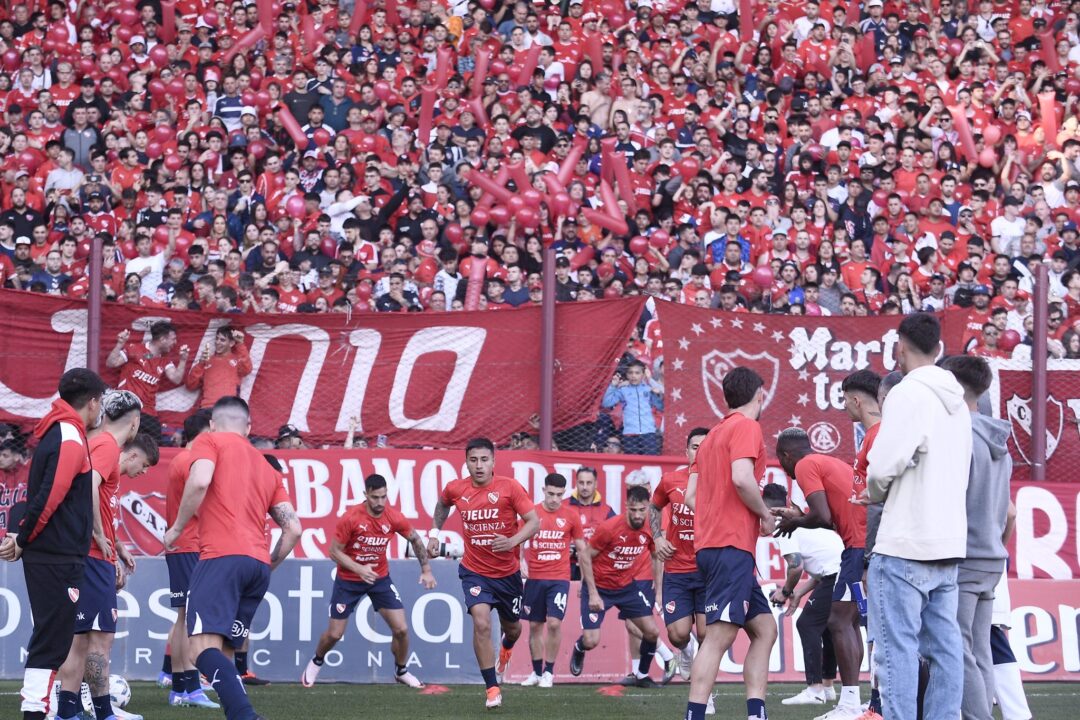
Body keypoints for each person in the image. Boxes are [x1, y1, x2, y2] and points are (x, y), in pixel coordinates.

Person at [163, 396, 302, 720]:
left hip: (220, 558)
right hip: (257, 566)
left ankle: (246, 715)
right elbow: (293, 529)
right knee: (224, 651)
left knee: (200, 649)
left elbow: (199, 480)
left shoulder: (210, 441)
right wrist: (267, 566)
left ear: (213, 424)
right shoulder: (266, 465)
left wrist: (176, 528)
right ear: (249, 428)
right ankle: (240, 714)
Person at [865, 313, 972, 720]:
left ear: (901, 344)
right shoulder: (958, 401)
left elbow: (881, 466)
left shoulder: (907, 393)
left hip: (906, 541)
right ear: (938, 347)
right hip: (947, 542)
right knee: (946, 651)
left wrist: (872, 492)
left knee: (897, 651)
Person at [0, 368, 106, 720]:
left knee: (52, 638)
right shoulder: (69, 435)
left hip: (54, 552)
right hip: (56, 555)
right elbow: (49, 497)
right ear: (92, 403)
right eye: (100, 402)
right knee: (53, 641)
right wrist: (25, 538)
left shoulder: (58, 429)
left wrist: (23, 536)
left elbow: (42, 496)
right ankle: (36, 713)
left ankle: (36, 711)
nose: (100, 409)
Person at [55, 390, 157, 720]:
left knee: (82, 642)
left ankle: (67, 712)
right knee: (100, 640)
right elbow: (88, 487)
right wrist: (99, 538)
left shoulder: (98, 443)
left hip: (90, 556)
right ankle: (102, 713)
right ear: (135, 421)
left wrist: (118, 547)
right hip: (92, 558)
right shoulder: (106, 446)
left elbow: (95, 494)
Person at [684, 366, 776, 720]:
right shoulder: (745, 427)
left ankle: (756, 712)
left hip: (717, 546)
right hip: (729, 547)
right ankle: (694, 714)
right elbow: (741, 478)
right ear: (759, 395)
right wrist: (764, 514)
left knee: (765, 629)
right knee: (719, 636)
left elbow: (695, 495)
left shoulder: (711, 438)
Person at [428, 438, 539, 710]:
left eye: (484, 460)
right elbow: (443, 504)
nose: (479, 465)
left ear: (494, 461)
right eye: (473, 460)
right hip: (474, 571)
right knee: (481, 623)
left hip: (507, 574)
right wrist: (433, 533)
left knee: (513, 627)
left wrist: (513, 542)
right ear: (466, 462)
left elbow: (534, 522)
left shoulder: (509, 487)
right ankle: (492, 688)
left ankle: (506, 647)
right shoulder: (456, 489)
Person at [302, 473, 435, 688]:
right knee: (335, 634)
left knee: (401, 629)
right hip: (348, 580)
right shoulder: (351, 518)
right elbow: (334, 552)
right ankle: (317, 660)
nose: (380, 502)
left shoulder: (393, 517)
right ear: (366, 495)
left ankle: (401, 671)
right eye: (375, 497)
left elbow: (415, 539)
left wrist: (426, 569)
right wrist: (359, 569)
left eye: (383, 497)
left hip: (379, 578)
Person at [773, 428, 867, 720]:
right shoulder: (830, 463)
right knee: (850, 620)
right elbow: (831, 519)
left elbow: (822, 516)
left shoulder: (804, 466)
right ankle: (863, 700)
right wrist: (798, 518)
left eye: (781, 461)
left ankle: (851, 704)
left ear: (787, 456)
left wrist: (795, 522)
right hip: (866, 542)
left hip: (859, 546)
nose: (786, 469)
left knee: (839, 620)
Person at [939, 355, 1013, 720]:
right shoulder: (998, 440)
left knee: (958, 647)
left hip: (964, 555)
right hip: (992, 556)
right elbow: (1010, 511)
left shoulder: (959, 436)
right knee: (979, 648)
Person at [569, 484, 662, 687]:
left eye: (642, 510)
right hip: (600, 587)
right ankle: (579, 647)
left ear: (648, 507)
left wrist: (659, 591)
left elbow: (657, 556)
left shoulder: (651, 527)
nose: (638, 515)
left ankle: (642, 675)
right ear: (626, 506)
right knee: (592, 641)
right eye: (633, 509)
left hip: (626, 586)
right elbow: (584, 555)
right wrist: (592, 593)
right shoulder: (609, 528)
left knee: (652, 632)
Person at [763, 483, 844, 708]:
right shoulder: (802, 522)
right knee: (828, 627)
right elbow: (822, 567)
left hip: (835, 574)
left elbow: (795, 567)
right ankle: (827, 688)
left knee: (807, 624)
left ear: (767, 509)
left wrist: (785, 592)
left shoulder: (783, 526)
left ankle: (814, 689)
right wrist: (798, 592)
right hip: (842, 572)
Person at [163, 410, 219, 708]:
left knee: (185, 617)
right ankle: (188, 688)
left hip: (184, 546)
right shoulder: (192, 462)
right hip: (190, 546)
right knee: (190, 620)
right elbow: (198, 506)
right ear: (208, 428)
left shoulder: (181, 460)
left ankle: (183, 688)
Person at [649, 427, 710, 684]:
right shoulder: (670, 480)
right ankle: (685, 651)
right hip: (676, 570)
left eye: (705, 447)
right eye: (695, 447)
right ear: (686, 451)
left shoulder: (723, 482)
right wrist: (658, 537)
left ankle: (705, 696)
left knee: (709, 635)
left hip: (709, 570)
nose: (700, 452)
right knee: (677, 634)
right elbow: (654, 507)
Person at [519, 473, 588, 688]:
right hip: (535, 578)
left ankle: (549, 672)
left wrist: (585, 579)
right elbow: (518, 540)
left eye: (559, 495)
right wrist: (520, 561)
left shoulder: (571, 515)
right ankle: (536, 673)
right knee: (535, 626)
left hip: (559, 578)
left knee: (555, 623)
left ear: (564, 493)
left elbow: (582, 548)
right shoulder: (532, 514)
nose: (554, 499)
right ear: (543, 491)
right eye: (551, 494)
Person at [106, 322, 189, 442]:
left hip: (148, 414)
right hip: (127, 406)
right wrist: (120, 344)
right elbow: (111, 363)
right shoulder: (134, 349)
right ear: (162, 339)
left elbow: (176, 378)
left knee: (154, 447)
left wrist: (183, 360)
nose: (175, 343)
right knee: (121, 443)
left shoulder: (164, 361)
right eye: (173, 339)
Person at [600, 360, 663, 455]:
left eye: (637, 373)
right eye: (630, 373)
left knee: (650, 463)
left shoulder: (649, 389)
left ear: (643, 374)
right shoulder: (623, 390)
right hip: (629, 434)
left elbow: (661, 405)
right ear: (627, 374)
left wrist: (650, 380)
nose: (633, 376)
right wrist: (613, 386)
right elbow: (607, 403)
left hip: (649, 433)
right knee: (632, 464)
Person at [185, 327, 253, 409]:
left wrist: (240, 344)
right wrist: (200, 364)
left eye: (222, 340)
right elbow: (191, 385)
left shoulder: (237, 360)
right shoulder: (206, 360)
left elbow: (247, 369)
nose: (217, 342)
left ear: (231, 343)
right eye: (217, 339)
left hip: (229, 408)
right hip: (207, 408)